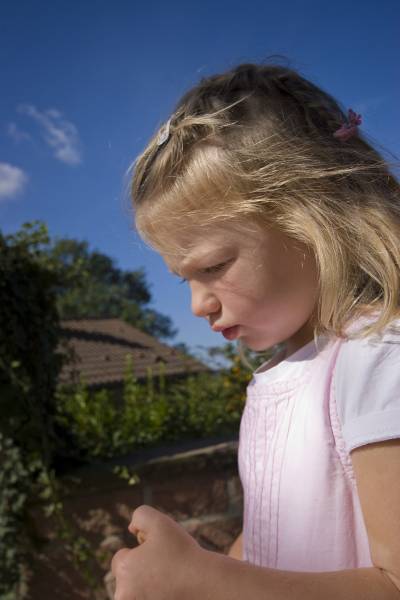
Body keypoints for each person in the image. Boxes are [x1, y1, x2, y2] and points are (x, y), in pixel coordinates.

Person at [111, 61, 400, 599]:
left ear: (313, 216)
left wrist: (204, 581)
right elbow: (270, 533)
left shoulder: (377, 360)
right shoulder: (278, 377)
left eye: (214, 266)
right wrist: (207, 565)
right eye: (185, 280)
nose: (198, 305)